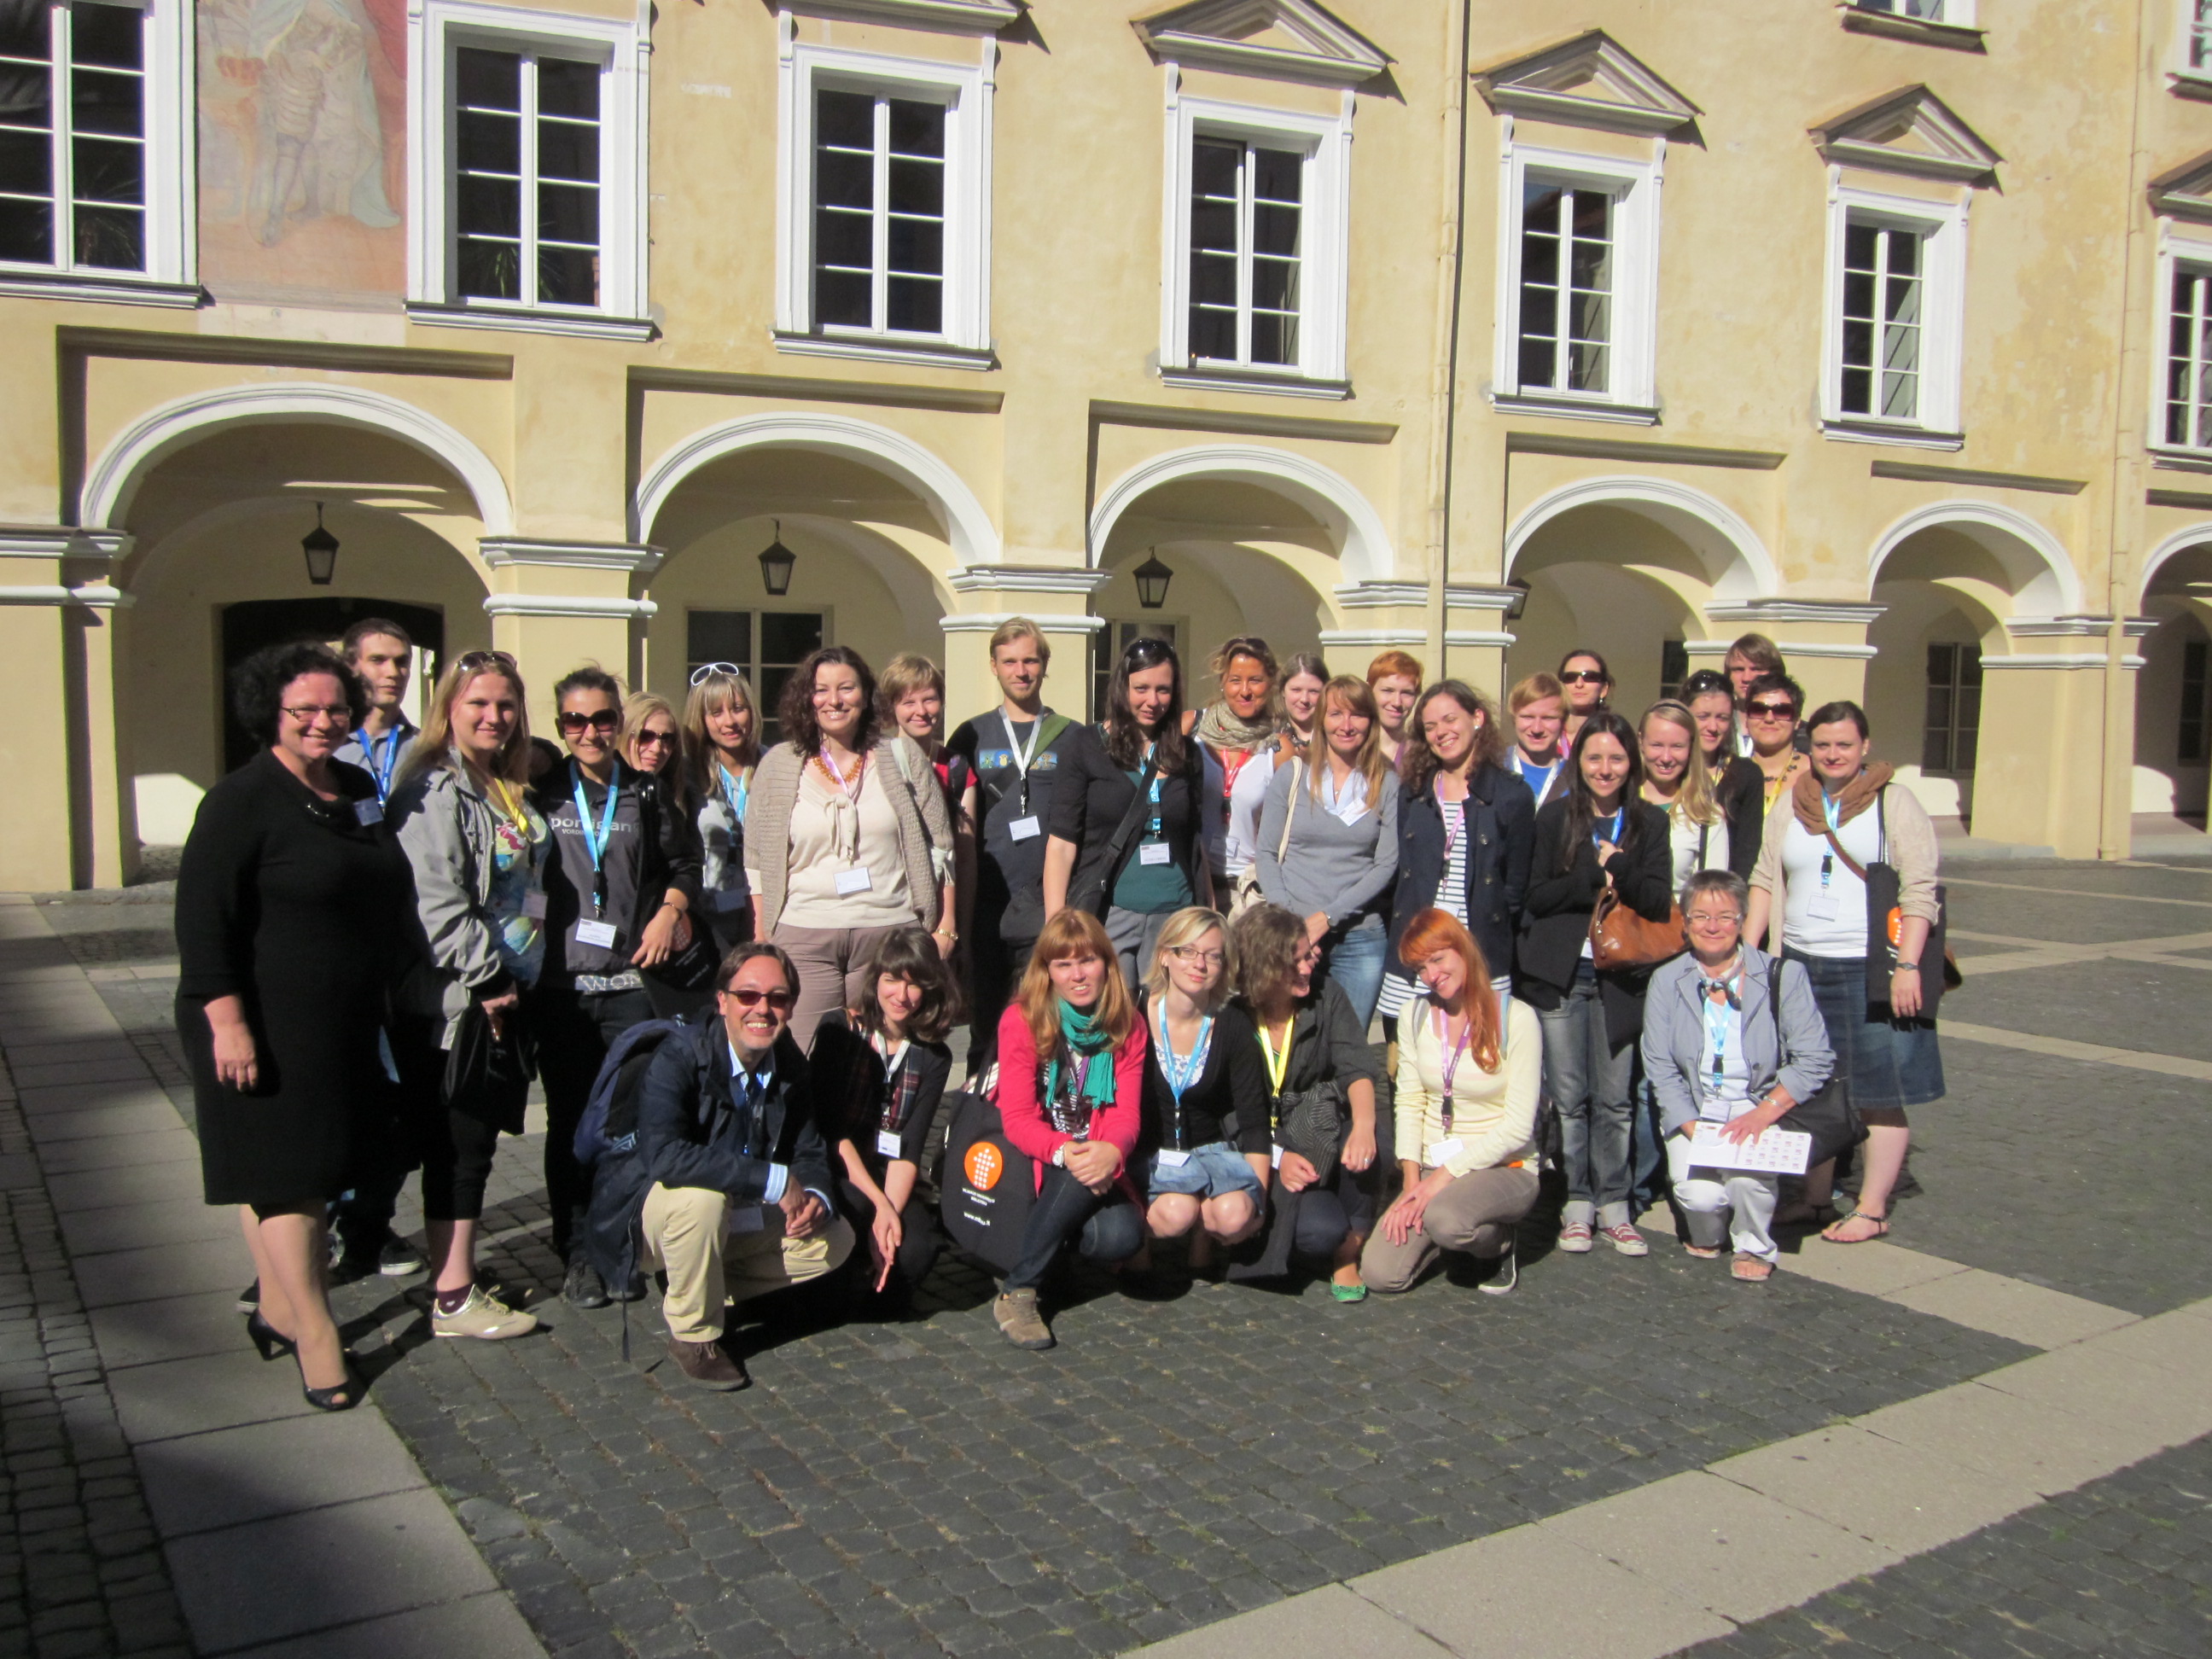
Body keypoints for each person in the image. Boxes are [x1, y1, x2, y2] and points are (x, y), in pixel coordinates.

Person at [176, 643, 414, 1412]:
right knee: (294, 1178)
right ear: (270, 715)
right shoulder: (240, 800)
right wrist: (229, 1025)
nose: (322, 722)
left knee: (281, 1168)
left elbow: (382, 879)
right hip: (264, 1018)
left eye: (335, 709)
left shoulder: (353, 785)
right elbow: (203, 925)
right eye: (304, 711)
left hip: (341, 1014)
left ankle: (278, 1311)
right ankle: (317, 1334)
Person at [387, 650, 545, 1340]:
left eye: (505, 704)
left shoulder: (502, 782)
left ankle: (454, 1272)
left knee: (474, 1137)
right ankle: (453, 1295)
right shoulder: (434, 790)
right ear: (448, 708)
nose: (493, 716)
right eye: (478, 703)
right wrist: (489, 977)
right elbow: (436, 906)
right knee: (460, 1142)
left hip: (507, 991)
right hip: (466, 1000)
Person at [534, 667, 702, 1308]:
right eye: (575, 721)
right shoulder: (541, 793)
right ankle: (577, 1251)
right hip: (563, 988)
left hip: (632, 986)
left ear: (618, 723)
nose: (590, 732)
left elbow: (684, 863)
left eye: (603, 719)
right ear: (561, 726)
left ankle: (620, 1244)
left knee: (629, 1124)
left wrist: (668, 912)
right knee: (570, 1123)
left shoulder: (646, 793)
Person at [1747, 701, 1944, 1245]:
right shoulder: (1795, 802)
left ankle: (1873, 1207)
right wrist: (1749, 953)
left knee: (1879, 1088)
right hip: (1803, 964)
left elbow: (1920, 889)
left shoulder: (1893, 803)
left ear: (1865, 748)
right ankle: (1814, 1200)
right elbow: (1765, 877)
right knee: (1813, 1083)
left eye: (1844, 745)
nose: (1833, 754)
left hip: (1871, 966)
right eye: (1824, 744)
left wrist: (1907, 964)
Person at [625, 943, 855, 1389]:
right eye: (748, 996)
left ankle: (697, 1284)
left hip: (735, 1213)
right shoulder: (679, 1055)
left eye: (778, 997)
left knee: (837, 1237)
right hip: (654, 1213)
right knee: (701, 1202)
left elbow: (809, 1151)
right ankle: (694, 1336)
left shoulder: (789, 1062)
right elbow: (664, 1157)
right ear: (722, 1001)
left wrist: (818, 1200)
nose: (762, 1009)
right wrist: (770, 1180)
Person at [1517, 711, 1673, 1257]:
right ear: (1577, 762)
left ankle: (1616, 1202)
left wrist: (1620, 867)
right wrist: (1590, 878)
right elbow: (1535, 897)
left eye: (1616, 758)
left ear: (1631, 763)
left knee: (1616, 1099)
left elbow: (1656, 900)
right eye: (1594, 757)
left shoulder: (1650, 823)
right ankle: (1577, 1200)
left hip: (1621, 978)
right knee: (1569, 1098)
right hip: (1562, 975)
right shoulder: (1555, 818)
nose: (1605, 769)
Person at [747, 646, 956, 1044]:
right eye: (821, 690)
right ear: (806, 698)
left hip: (888, 935)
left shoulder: (900, 755)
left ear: (866, 695)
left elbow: (941, 845)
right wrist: (763, 930)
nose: (834, 700)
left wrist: (946, 928)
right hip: (804, 932)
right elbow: (755, 857)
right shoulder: (778, 764)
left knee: (885, 1059)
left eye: (847, 688)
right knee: (806, 1055)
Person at [1644, 870, 1834, 1281]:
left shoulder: (1782, 976)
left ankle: (1754, 1245)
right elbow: (1659, 1065)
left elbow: (1815, 1058)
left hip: (1756, 1102)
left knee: (1748, 1182)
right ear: (1686, 922)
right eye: (1700, 916)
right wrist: (1691, 1125)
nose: (1713, 927)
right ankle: (1710, 1234)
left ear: (1743, 920)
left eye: (1726, 916)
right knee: (1699, 1196)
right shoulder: (1666, 980)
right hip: (1696, 1105)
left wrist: (1763, 1114)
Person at [991, 908, 1149, 1349]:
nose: (1078, 975)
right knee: (1075, 1170)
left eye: (1088, 961)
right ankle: (1018, 1291)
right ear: (1047, 972)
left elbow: (1126, 1116)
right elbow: (1017, 1118)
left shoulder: (1127, 1024)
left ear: (1106, 963)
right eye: (1064, 964)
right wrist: (1068, 1152)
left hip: (1094, 1160)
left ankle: (1047, 1252)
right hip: (1036, 1156)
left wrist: (1112, 1151)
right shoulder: (1022, 1020)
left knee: (1121, 1236)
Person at [1364, 911, 1540, 1295]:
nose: (1430, 975)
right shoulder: (1415, 1015)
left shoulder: (1517, 1018)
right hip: (1432, 1167)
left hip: (1501, 1163)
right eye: (1420, 968)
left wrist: (1439, 1182)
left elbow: (1518, 1127)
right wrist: (1412, 1185)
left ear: (1462, 949)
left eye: (1437, 959)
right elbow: (1409, 1101)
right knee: (1380, 1274)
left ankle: (1497, 1241)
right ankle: (1450, 1238)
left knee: (1446, 1219)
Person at [325, 616, 424, 1280]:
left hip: (412, 947)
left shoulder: (425, 750)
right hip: (343, 948)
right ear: (352, 664)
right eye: (379, 661)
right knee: (340, 1092)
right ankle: (324, 1223)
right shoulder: (328, 750)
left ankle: (375, 1224)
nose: (392, 673)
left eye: (401, 662)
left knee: (403, 1100)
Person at [1231, 903, 1386, 1301]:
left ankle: (1349, 1250)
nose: (1309, 965)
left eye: (1308, 954)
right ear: (1265, 968)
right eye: (1296, 960)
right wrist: (1278, 1158)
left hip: (1319, 1128)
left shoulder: (1326, 996)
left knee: (1370, 1134)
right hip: (1262, 1145)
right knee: (1317, 1234)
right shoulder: (1233, 1015)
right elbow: (1226, 1111)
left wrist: (1365, 1126)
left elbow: (1357, 1067)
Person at [946, 620, 1080, 1070]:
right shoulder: (970, 735)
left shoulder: (1072, 736)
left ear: (1044, 666)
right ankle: (980, 1124)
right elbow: (951, 825)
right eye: (1010, 662)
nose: (1021, 671)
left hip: (1046, 901)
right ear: (994, 667)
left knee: (1042, 1021)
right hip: (987, 900)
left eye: (1030, 660)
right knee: (985, 1021)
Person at [1043, 637, 1213, 984]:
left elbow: (1195, 842)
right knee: (1111, 1020)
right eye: (1142, 688)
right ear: (1123, 686)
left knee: (1165, 1020)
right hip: (1108, 913)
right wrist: (1057, 926)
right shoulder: (1086, 746)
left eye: (1163, 690)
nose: (1153, 701)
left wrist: (1209, 915)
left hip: (1176, 916)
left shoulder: (1188, 753)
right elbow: (1061, 844)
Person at [810, 928, 956, 1305]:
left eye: (913, 984)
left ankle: (869, 1286)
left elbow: (909, 1148)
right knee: (854, 1214)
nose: (901, 996)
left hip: (887, 1170)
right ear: (876, 979)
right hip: (838, 1165)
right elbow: (831, 1130)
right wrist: (881, 1206)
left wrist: (889, 1215)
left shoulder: (934, 1057)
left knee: (915, 1249)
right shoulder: (839, 1028)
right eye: (892, 980)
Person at [1377, 681, 1534, 1034]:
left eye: (1450, 720)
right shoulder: (1414, 792)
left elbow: (1516, 888)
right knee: (1407, 1066)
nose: (1441, 733)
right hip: (1415, 955)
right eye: (1430, 727)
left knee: (1481, 1064)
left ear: (1477, 718)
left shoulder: (1512, 795)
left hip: (1480, 953)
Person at [1255, 675, 1401, 1029]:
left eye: (1357, 715)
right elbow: (1266, 854)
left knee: (1347, 1047)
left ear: (1372, 721)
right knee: (1289, 1038)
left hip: (1359, 938)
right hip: (1292, 935)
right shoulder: (1292, 775)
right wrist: (1295, 925)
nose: (1346, 726)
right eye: (1336, 714)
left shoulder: (1386, 780)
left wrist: (1328, 917)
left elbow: (1386, 863)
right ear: (1321, 719)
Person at [1133, 906, 1268, 1274]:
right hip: (1147, 1151)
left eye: (1213, 955)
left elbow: (1255, 1121)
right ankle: (1138, 1239)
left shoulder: (1233, 1025)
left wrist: (1260, 1201)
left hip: (1211, 1152)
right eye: (1187, 951)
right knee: (1176, 1212)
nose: (1199, 964)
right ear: (1164, 955)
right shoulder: (1134, 1012)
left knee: (1235, 1215)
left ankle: (1204, 1234)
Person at [878, 652, 975, 946]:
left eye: (929, 699)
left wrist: (960, 930)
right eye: (908, 702)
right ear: (891, 708)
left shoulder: (956, 767)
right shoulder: (875, 763)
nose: (921, 710)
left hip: (939, 913)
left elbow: (965, 856)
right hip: (885, 906)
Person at [1190, 636, 1284, 911]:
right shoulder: (1193, 730)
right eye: (1235, 680)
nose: (1245, 691)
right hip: (1197, 884)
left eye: (1255, 680)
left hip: (1250, 891)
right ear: (1222, 682)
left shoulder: (1278, 748)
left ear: (1271, 683)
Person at [680, 663, 761, 956]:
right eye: (716, 713)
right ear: (701, 719)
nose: (730, 721)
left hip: (767, 911)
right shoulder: (686, 774)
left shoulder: (774, 766)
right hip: (708, 917)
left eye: (738, 708)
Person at [1683, 668, 1765, 879]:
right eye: (1702, 717)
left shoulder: (1746, 774)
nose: (1713, 727)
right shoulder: (1669, 769)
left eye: (1722, 718)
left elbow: (1748, 852)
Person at [1640, 700, 1731, 887]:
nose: (1666, 758)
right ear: (1641, 742)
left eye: (1677, 747)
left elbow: (1711, 895)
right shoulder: (1618, 804)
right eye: (1657, 745)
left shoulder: (1707, 817)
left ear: (1691, 748)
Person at [1743, 672, 1812, 809]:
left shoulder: (1816, 774)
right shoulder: (1730, 776)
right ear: (1747, 719)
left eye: (1782, 711)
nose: (1769, 719)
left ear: (1797, 721)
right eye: (1758, 710)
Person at [1505, 672, 1570, 809]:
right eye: (1527, 717)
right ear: (1514, 719)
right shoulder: (1492, 767)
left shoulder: (1576, 778)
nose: (1536, 729)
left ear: (1563, 721)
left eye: (1548, 718)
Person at [1725, 633, 1789, 758]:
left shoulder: (1788, 725)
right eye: (1739, 669)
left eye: (1756, 669)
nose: (1746, 678)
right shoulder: (1718, 723)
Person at [1365, 650, 1423, 767]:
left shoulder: (1421, 757)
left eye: (1407, 693)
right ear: (1368, 691)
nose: (1397, 702)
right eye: (1388, 691)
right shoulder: (1352, 750)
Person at [1557, 649, 1614, 747]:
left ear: (1603, 689)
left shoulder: (1614, 737)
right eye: (1570, 677)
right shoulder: (1547, 736)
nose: (1579, 684)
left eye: (1590, 677)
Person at [621, 690, 681, 779]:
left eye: (666, 739)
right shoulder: (600, 790)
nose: (657, 749)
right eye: (645, 736)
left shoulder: (682, 791)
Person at [1280, 653, 1329, 758]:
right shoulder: (1269, 739)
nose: (1304, 699)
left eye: (1314, 691)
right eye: (1296, 690)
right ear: (1283, 691)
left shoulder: (1335, 737)